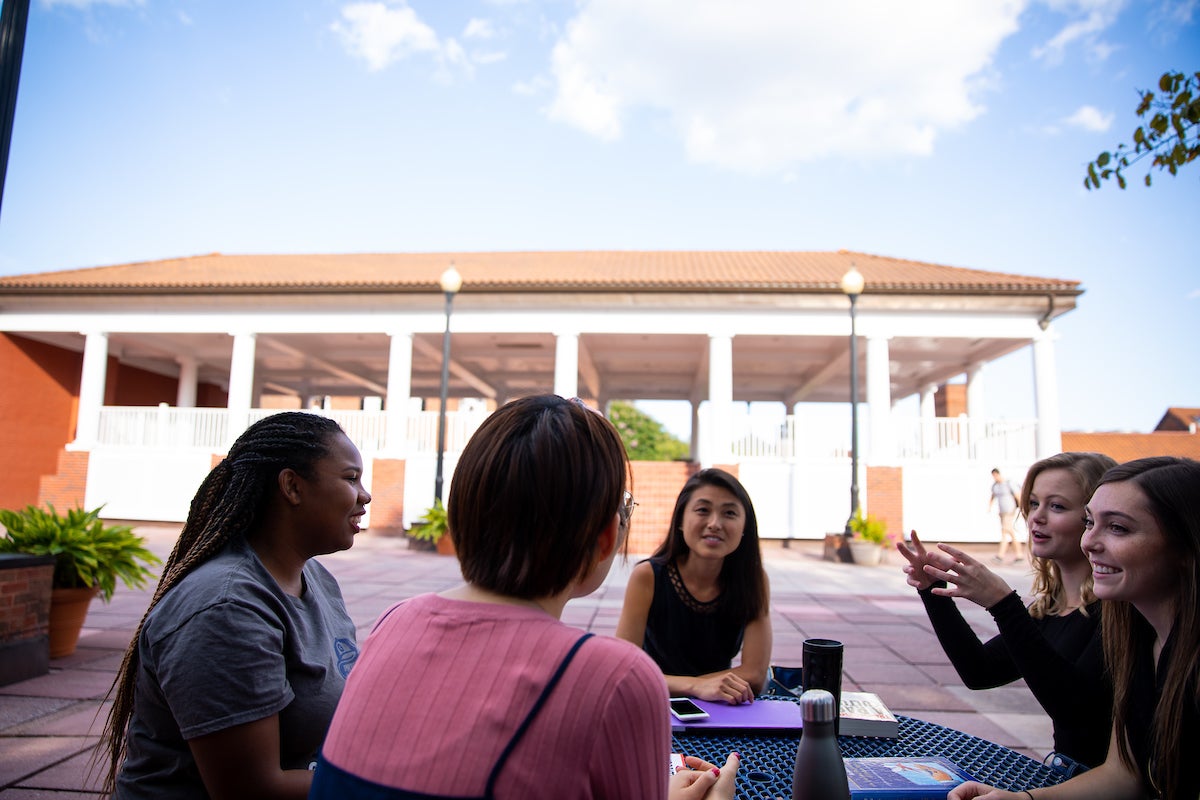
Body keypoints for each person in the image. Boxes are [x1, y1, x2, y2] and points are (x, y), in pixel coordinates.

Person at [310, 395, 738, 800]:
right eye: (626, 508)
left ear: (460, 516)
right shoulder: (617, 677)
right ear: (607, 536)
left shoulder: (395, 621)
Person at [96, 412, 369, 799]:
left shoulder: (318, 580)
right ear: (292, 486)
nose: (365, 495)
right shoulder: (225, 608)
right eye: (350, 478)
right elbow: (251, 790)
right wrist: (390, 780)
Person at [950, 456, 1200, 800]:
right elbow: (1123, 774)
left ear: (1187, 546)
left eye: (1118, 528)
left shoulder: (1125, 624)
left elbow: (1075, 712)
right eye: (1089, 522)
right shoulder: (1138, 635)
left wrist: (1004, 605)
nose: (1089, 542)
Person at [897, 452, 1116, 770]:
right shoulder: (1051, 609)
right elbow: (979, 671)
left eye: (1056, 506)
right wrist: (933, 590)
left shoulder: (1118, 611)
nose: (1036, 517)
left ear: (1095, 518)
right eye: (1034, 503)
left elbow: (1078, 713)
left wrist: (1003, 603)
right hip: (1063, 774)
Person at [616, 468, 772, 705]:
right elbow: (624, 669)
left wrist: (706, 688)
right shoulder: (647, 576)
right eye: (702, 510)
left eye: (729, 513)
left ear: (744, 529)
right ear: (680, 520)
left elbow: (755, 674)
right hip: (654, 702)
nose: (714, 524)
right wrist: (696, 686)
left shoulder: (753, 580)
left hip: (720, 706)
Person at [989, 467, 1024, 563]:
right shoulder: (995, 486)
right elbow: (993, 496)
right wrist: (989, 507)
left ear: (998, 474)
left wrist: (1022, 508)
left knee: (1005, 532)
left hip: (1010, 511)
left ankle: (1000, 556)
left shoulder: (1008, 484)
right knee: (1010, 532)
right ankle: (1019, 555)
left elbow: (1018, 496)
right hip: (1002, 512)